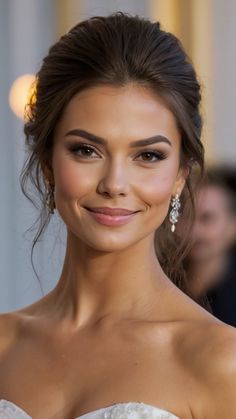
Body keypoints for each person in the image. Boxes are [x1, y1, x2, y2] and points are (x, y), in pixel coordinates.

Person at [0, 13, 236, 419]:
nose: (115, 183)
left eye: (148, 156)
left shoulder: (221, 361)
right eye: (86, 150)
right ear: (47, 164)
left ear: (180, 175)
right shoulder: (4, 343)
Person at [187, 167, 236, 325]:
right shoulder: (160, 281)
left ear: (232, 227)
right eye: (186, 217)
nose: (193, 231)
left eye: (206, 219)